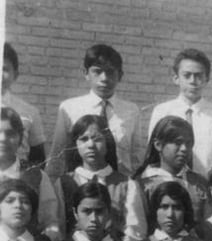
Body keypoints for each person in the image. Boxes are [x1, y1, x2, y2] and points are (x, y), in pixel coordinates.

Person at [47, 44, 143, 179]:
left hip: (119, 186)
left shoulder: (132, 110)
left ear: (120, 75)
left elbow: (136, 157)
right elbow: (57, 155)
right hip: (79, 186)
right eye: (97, 72)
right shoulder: (69, 108)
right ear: (86, 74)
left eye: (110, 72)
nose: (104, 78)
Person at [125, 116, 210, 241]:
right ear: (158, 145)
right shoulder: (142, 185)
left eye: (188, 143)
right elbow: (136, 231)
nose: (184, 149)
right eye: (177, 143)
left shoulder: (199, 184)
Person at [147, 49, 212, 178]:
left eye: (199, 76)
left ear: (207, 79)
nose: (193, 81)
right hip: (168, 185)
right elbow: (153, 153)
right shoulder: (162, 111)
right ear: (176, 78)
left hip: (204, 186)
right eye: (187, 75)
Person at [55, 114, 129, 236]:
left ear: (108, 143)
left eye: (97, 139)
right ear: (75, 144)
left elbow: (134, 230)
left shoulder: (126, 184)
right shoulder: (64, 183)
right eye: (83, 139)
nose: (90, 145)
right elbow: (59, 227)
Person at [0, 107, 62, 241]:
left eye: (10, 133)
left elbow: (49, 221)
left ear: (20, 138)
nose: (3, 139)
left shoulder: (35, 175)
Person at [2, 43, 46, 165]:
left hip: (16, 180)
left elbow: (38, 157)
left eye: (4, 69)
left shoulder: (29, 111)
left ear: (15, 75)